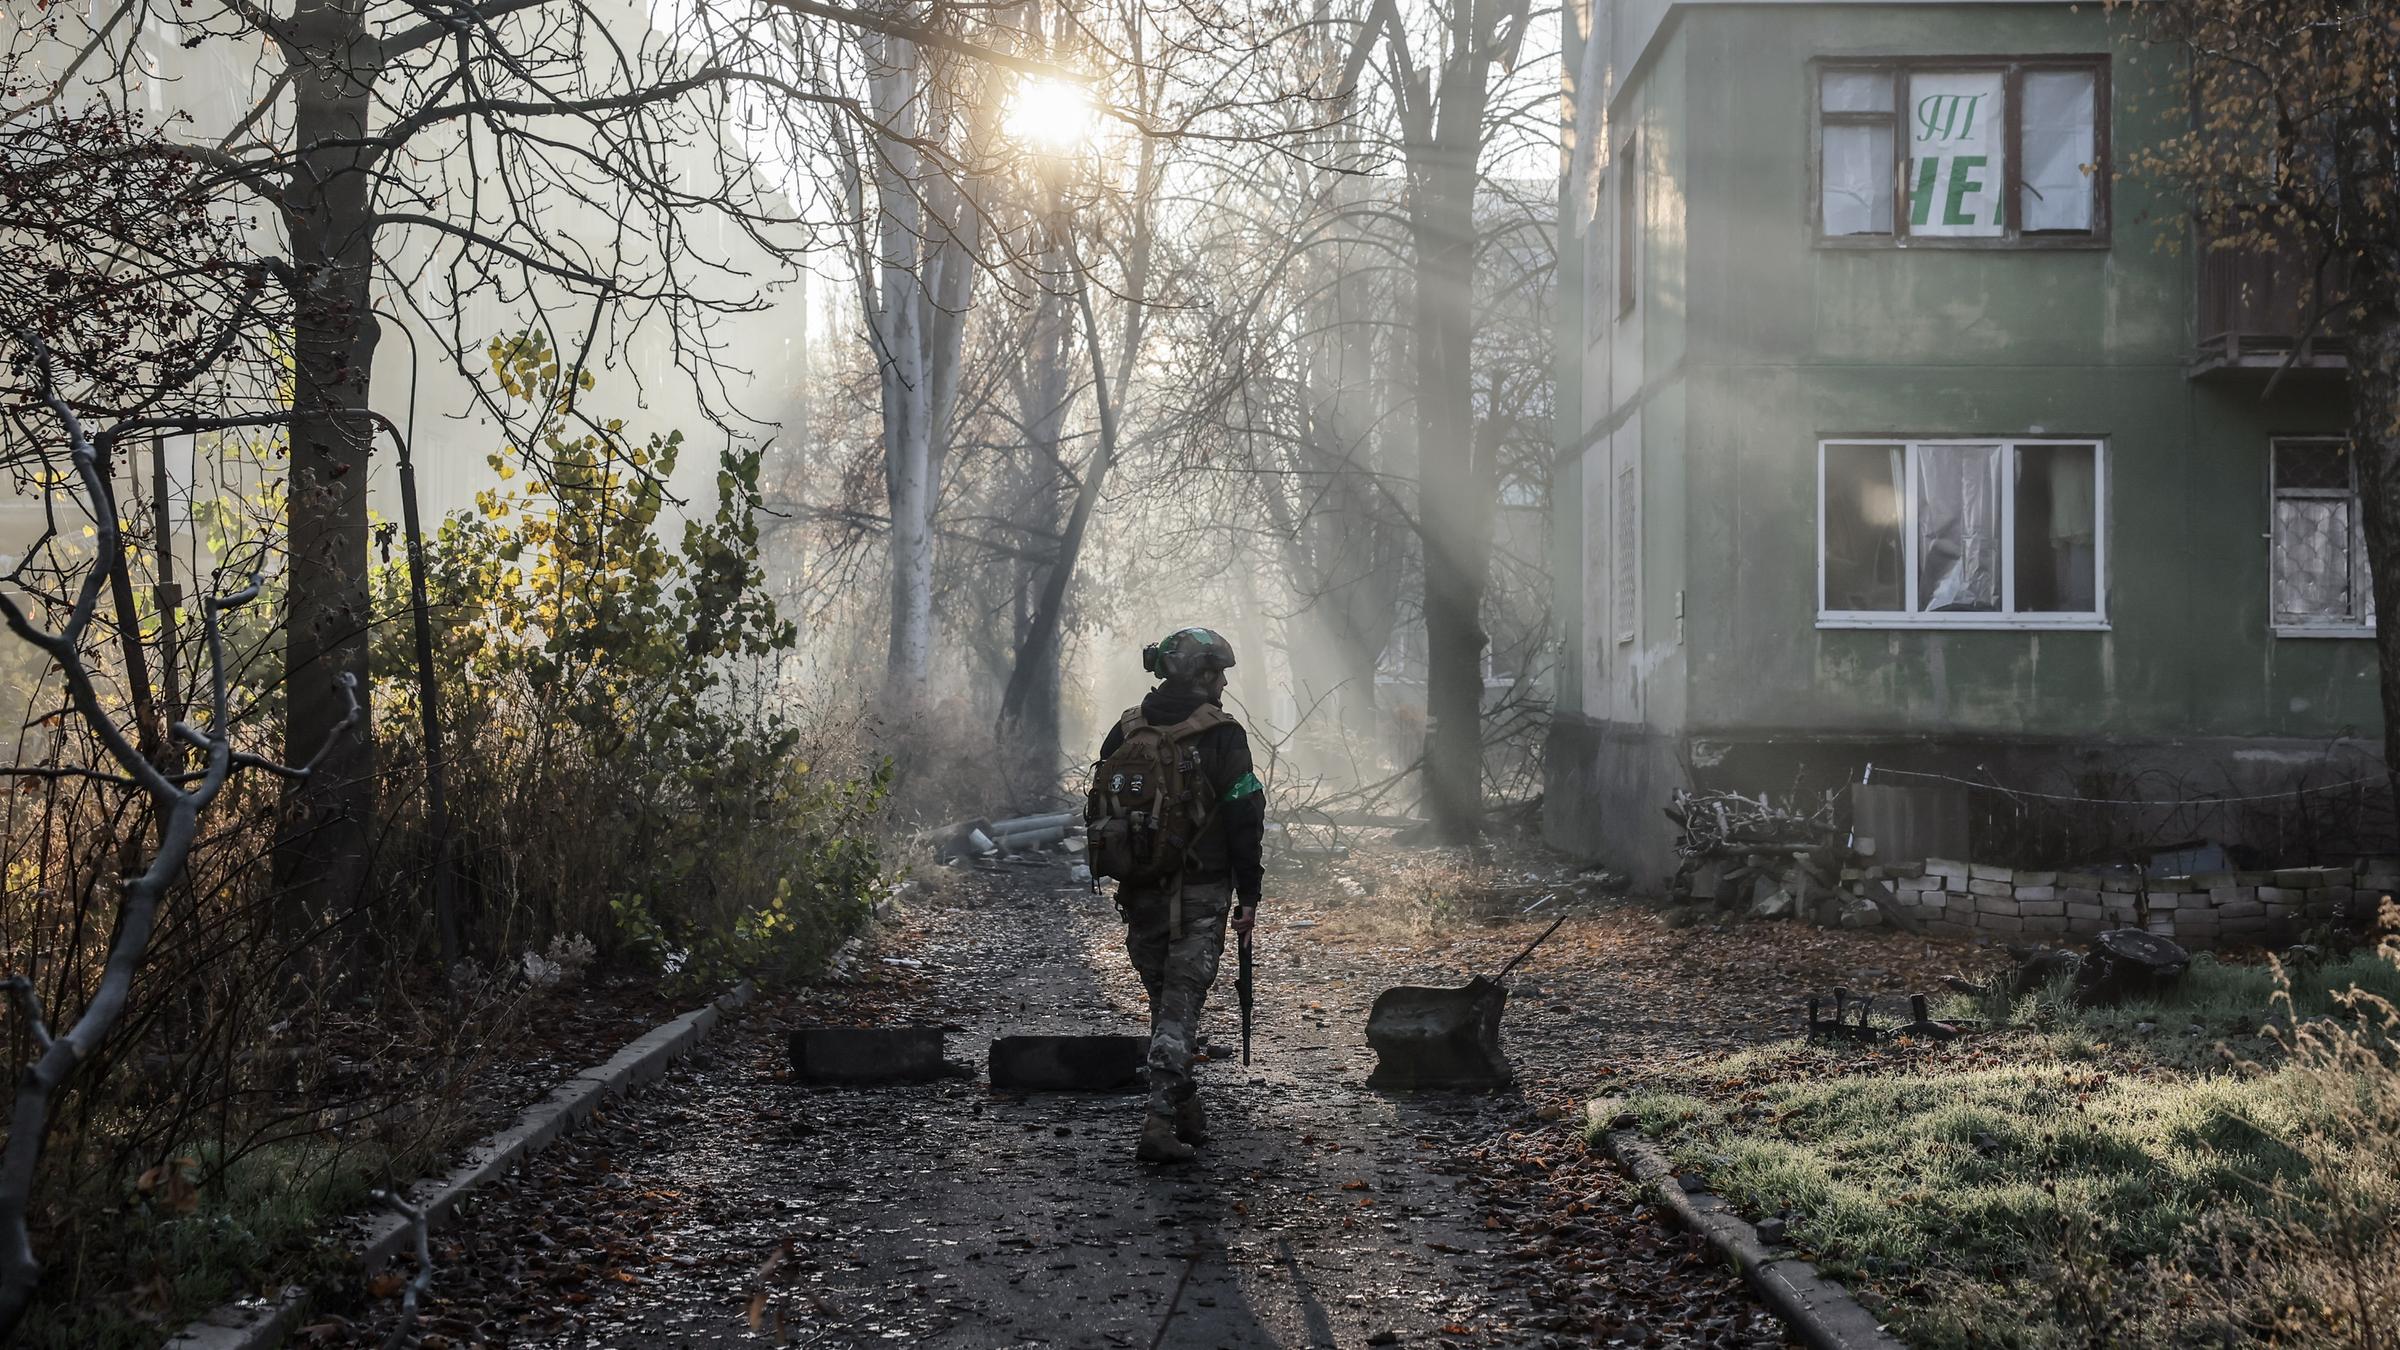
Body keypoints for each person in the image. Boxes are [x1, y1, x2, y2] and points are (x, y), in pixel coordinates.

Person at [1093, 627, 1265, 1163]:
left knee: (1169, 1005)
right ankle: (1159, 1123)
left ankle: (1185, 1107)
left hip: (1139, 891)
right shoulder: (1222, 735)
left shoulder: (1125, 731)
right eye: (1220, 674)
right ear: (1202, 674)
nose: (1225, 683)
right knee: (1179, 1009)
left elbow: (1097, 811)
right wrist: (1250, 894)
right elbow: (1245, 816)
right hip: (1201, 890)